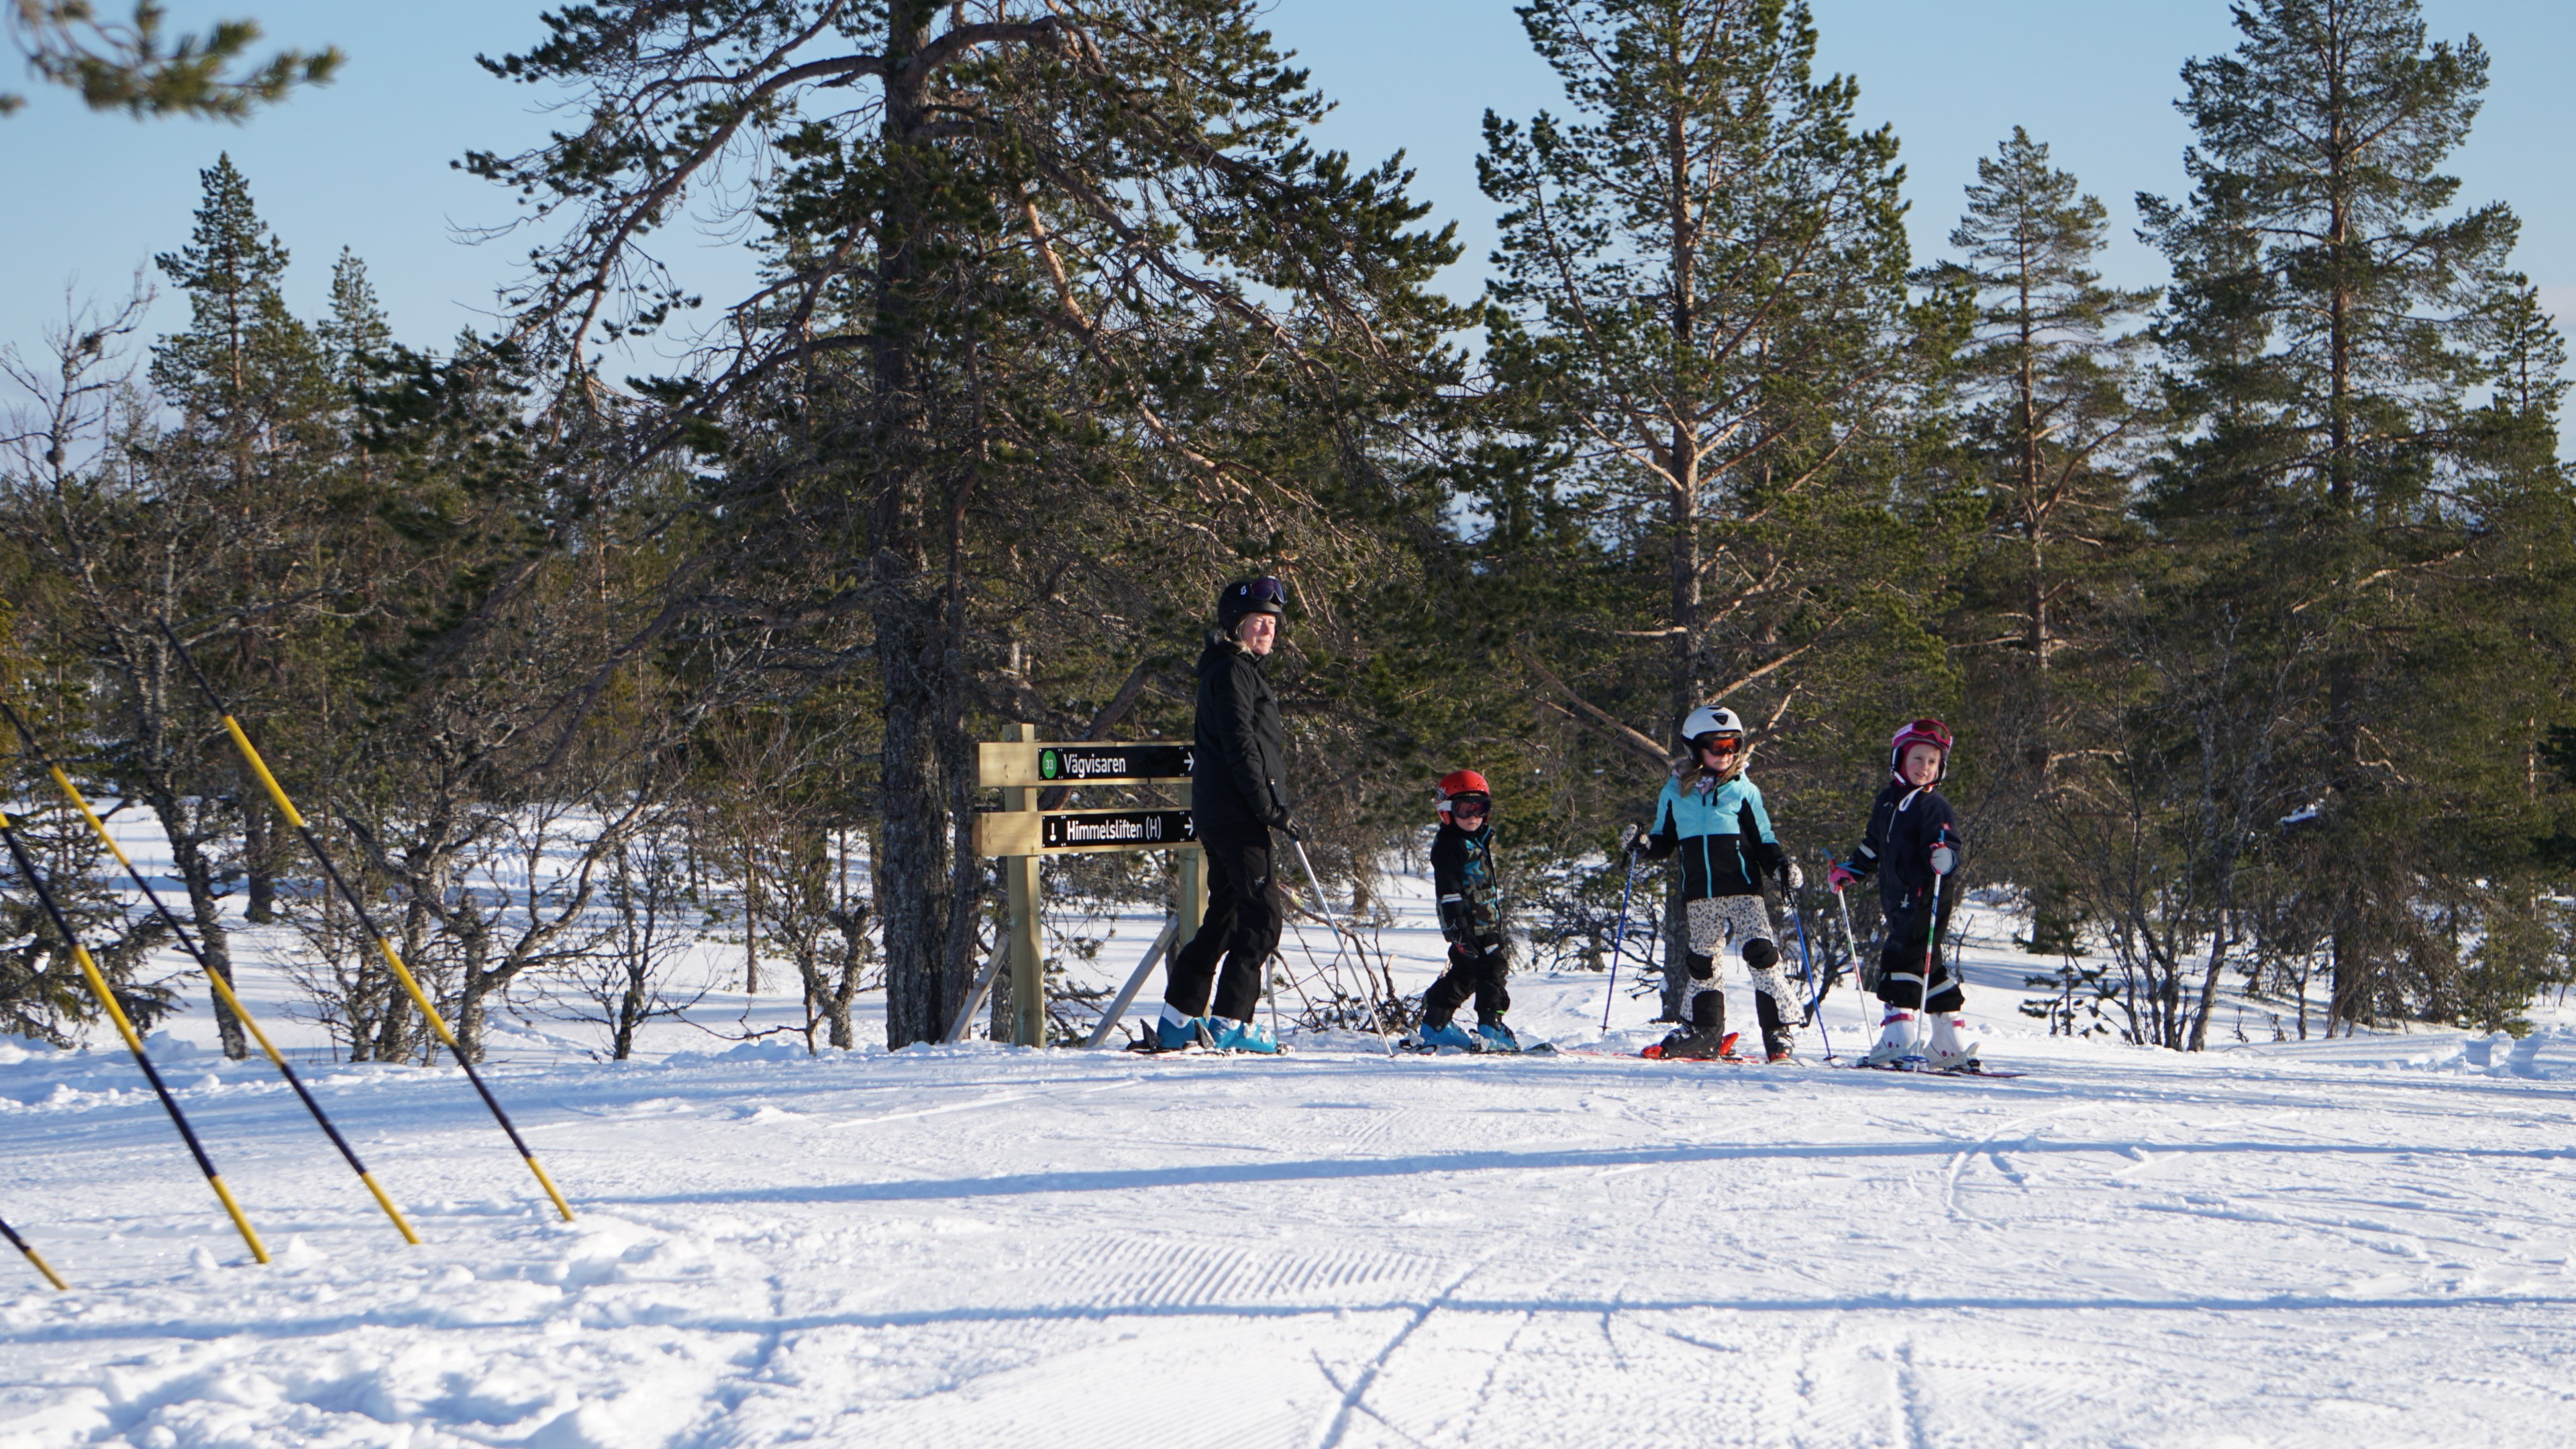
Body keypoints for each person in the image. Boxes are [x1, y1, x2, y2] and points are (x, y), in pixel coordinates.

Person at [1156, 577, 1294, 1053]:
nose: (1267, 630)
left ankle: (1179, 1017)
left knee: (1227, 915)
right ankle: (1233, 1022)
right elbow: (1240, 744)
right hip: (1237, 813)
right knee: (1262, 918)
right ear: (1235, 625)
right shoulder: (1232, 672)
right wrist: (1266, 805)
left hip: (1226, 812)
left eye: (1273, 623)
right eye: (1258, 621)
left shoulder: (1233, 671)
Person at [1625, 704, 1804, 1061]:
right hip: (1700, 895)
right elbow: (1663, 842)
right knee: (1704, 962)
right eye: (1717, 746)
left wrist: (1782, 868)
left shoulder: (1744, 790)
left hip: (1744, 890)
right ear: (1695, 749)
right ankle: (1704, 1030)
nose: (1727, 754)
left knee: (1761, 955)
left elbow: (1764, 839)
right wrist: (1642, 846)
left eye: (1733, 746)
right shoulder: (1675, 792)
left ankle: (1779, 1031)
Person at [1826, 718, 1974, 1069]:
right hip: (1898, 900)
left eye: (1932, 762)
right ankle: (1949, 1043)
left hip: (1925, 896)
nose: (1925, 768)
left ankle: (1900, 1039)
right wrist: (1852, 871)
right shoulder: (1888, 802)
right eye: (1917, 759)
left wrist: (1944, 857)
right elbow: (1873, 846)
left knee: (1900, 957)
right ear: (1900, 760)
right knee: (1929, 966)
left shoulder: (1932, 805)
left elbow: (1948, 843)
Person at [1408, 770, 1519, 1053]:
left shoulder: (1475, 839)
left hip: (1481, 922)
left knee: (1466, 972)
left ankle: (1436, 1025)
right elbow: (1448, 890)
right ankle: (1490, 1028)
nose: (1473, 816)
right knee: (1493, 969)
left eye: (1480, 808)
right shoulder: (1451, 844)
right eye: (1464, 809)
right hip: (1470, 926)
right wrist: (1458, 927)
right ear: (1446, 811)